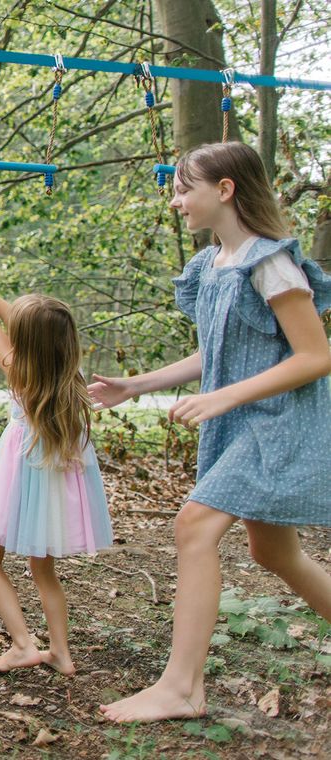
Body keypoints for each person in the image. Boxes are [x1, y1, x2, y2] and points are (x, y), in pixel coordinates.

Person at [89, 141, 331, 723]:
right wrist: (137, 384)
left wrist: (220, 399)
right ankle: (181, 688)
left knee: (193, 528)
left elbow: (315, 357)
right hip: (240, 420)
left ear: (224, 190)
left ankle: (181, 688)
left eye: (183, 189)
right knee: (272, 552)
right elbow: (218, 352)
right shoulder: (213, 264)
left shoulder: (270, 262)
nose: (176, 202)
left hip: (275, 423)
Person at [0, 257, 112, 675]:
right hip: (52, 477)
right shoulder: (66, 371)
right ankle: (61, 652)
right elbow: (24, 326)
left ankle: (23, 644)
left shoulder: (17, 370)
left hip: (21, 475)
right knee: (44, 569)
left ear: (26, 342)